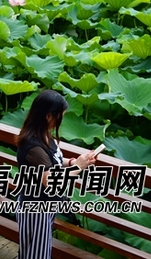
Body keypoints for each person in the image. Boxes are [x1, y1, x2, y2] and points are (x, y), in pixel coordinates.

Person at [16, 90, 98, 259]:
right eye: (60, 116)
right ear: (48, 116)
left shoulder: (44, 136)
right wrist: (80, 167)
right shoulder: (33, 147)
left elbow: (52, 161)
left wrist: (73, 162)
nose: (61, 120)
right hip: (35, 208)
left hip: (44, 206)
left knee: (32, 252)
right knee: (37, 255)